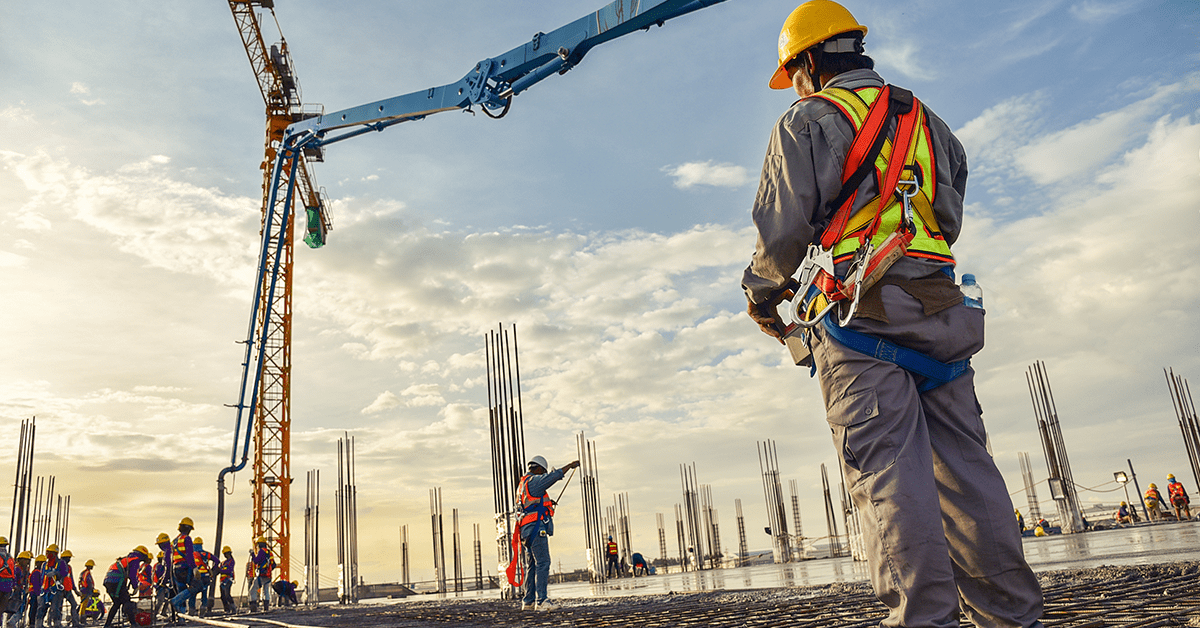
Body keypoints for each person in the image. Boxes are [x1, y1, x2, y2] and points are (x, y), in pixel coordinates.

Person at [741, 3, 1044, 627]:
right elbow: (949, 211)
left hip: (860, 322)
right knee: (969, 476)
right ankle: (1014, 619)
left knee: (889, 481)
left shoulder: (807, 120)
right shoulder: (928, 121)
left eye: (792, 72)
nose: (792, 86)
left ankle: (922, 621)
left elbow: (783, 229)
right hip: (941, 313)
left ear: (807, 61)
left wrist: (761, 294)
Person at [517, 455, 580, 611]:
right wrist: (569, 465)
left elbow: (530, 504)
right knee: (543, 562)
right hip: (536, 528)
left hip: (526, 530)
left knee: (532, 564)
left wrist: (547, 504)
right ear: (538, 469)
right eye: (542, 472)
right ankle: (542, 601)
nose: (543, 475)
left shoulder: (523, 484)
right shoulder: (534, 481)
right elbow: (553, 477)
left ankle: (529, 601)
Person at [102, 547, 149, 628]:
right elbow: (132, 575)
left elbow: (128, 574)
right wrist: (135, 587)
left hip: (108, 581)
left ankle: (107, 625)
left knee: (117, 603)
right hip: (116, 581)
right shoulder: (135, 559)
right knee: (127, 602)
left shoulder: (126, 559)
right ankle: (133, 624)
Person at [169, 518, 197, 614]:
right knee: (197, 586)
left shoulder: (174, 541)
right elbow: (189, 556)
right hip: (185, 567)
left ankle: (181, 617)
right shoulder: (187, 539)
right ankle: (175, 600)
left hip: (175, 568)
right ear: (188, 528)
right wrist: (194, 568)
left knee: (181, 591)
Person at [248, 537, 276, 612]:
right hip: (268, 576)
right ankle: (266, 608)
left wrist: (252, 554)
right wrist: (268, 570)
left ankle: (253, 607)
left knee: (252, 590)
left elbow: (256, 561)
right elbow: (274, 565)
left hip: (261, 575)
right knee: (266, 591)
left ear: (259, 544)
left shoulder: (261, 551)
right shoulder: (270, 552)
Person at [6, 551, 31, 628]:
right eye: (26, 560)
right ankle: (11, 622)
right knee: (15, 608)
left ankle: (10, 623)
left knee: (17, 608)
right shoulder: (17, 569)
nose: (27, 562)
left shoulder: (25, 570)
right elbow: (13, 579)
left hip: (21, 591)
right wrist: (15, 587)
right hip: (16, 592)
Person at [216, 546, 237, 614]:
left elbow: (229, 570)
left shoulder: (231, 561)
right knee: (223, 596)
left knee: (227, 594)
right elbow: (218, 570)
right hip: (222, 581)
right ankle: (227, 609)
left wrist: (220, 570)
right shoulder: (223, 563)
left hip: (228, 580)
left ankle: (233, 608)